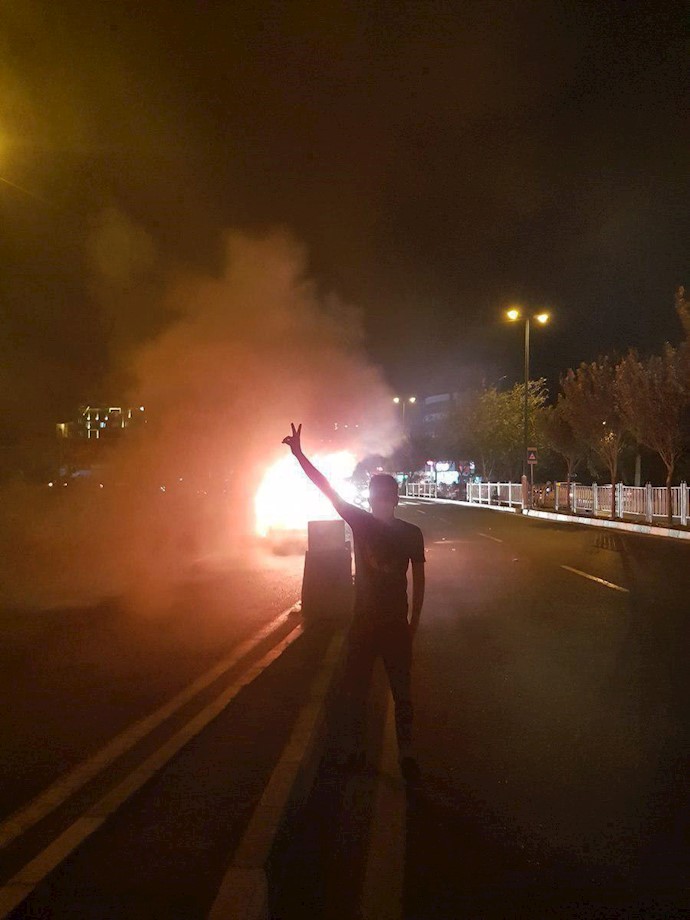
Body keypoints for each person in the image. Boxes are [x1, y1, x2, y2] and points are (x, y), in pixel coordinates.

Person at [282, 422, 425, 781]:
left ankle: (406, 753)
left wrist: (413, 625)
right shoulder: (359, 522)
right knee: (356, 693)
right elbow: (325, 487)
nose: (380, 501)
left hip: (395, 625)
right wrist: (299, 455)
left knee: (402, 695)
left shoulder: (411, 534)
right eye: (376, 496)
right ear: (371, 499)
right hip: (364, 623)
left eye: (386, 496)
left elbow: (419, 581)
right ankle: (356, 750)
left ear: (395, 498)